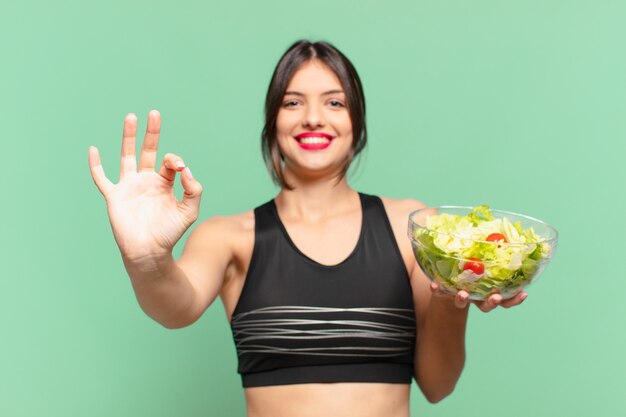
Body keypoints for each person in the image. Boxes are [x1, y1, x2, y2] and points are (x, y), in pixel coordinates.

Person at [88, 40, 526, 417]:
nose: (313, 118)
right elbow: (173, 308)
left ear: (357, 122)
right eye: (293, 102)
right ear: (272, 123)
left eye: (334, 102)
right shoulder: (229, 237)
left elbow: (438, 385)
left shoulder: (411, 226)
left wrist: (454, 297)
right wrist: (146, 260)